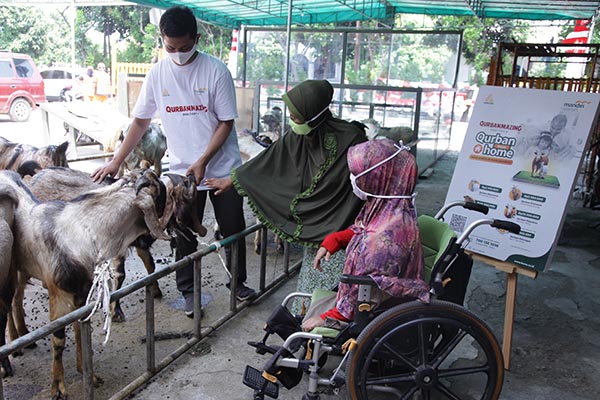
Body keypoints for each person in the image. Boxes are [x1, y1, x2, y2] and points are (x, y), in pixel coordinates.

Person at [91, 5, 255, 318]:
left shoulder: (216, 71)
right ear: (162, 40)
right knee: (183, 233)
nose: (178, 54)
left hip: (222, 168)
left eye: (184, 47)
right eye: (170, 48)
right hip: (181, 170)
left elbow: (225, 123)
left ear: (197, 38)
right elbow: (140, 122)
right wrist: (115, 161)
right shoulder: (158, 74)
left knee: (233, 228)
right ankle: (189, 292)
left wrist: (204, 160)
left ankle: (239, 284)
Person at [205, 79, 367, 308]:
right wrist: (232, 180)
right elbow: (270, 158)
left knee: (337, 290)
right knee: (313, 279)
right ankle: (308, 321)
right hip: (317, 230)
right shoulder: (301, 134)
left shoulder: (352, 139)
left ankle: (330, 321)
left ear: (314, 114)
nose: (291, 121)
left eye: (295, 117)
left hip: (344, 230)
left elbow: (363, 185)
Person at [301, 138, 430, 331]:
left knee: (301, 324)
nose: (354, 179)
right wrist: (336, 240)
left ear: (379, 177)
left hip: (367, 310)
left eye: (357, 174)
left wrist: (331, 317)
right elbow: (363, 229)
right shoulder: (390, 209)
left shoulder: (385, 239)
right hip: (362, 299)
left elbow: (364, 290)